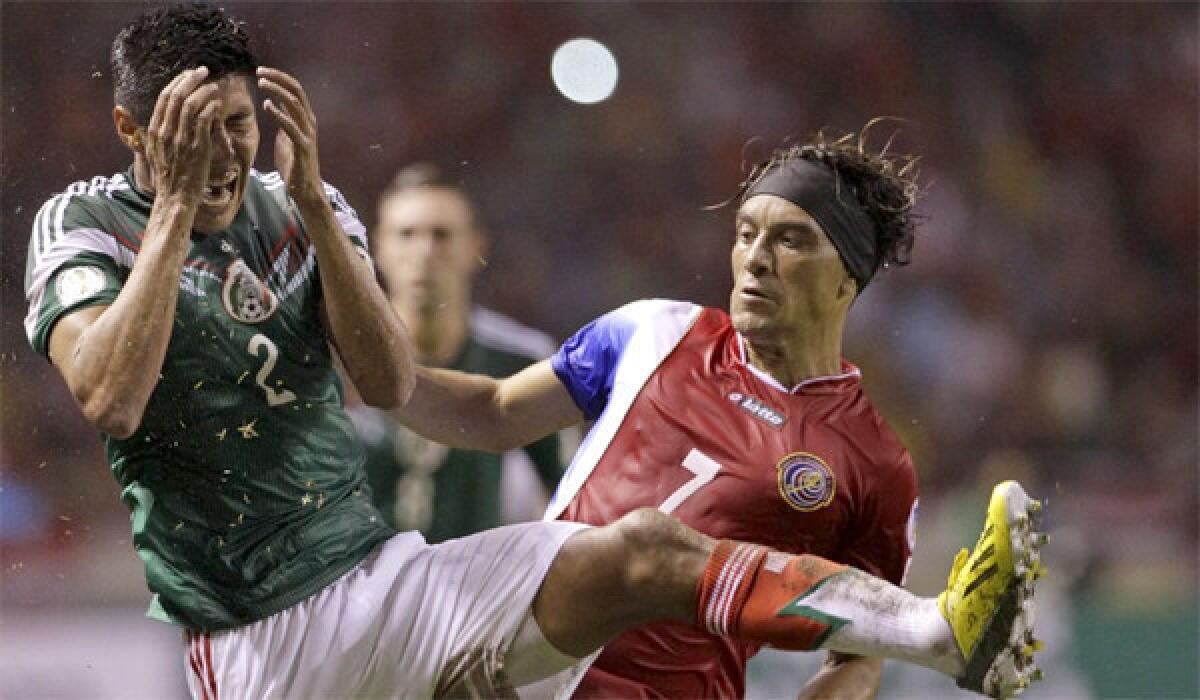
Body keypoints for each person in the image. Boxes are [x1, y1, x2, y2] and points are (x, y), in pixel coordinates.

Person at [25, 5, 1043, 698]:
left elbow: (386, 384)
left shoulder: (875, 462)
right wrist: (169, 210)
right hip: (261, 643)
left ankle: (943, 633)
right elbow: (112, 396)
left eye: (239, 127)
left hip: (395, 589)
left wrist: (316, 210)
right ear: (130, 128)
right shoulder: (86, 226)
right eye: (195, 136)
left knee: (648, 546)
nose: (225, 157)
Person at [389, 130, 1046, 699]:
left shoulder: (874, 464)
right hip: (534, 663)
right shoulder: (653, 332)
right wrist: (369, 373)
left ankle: (944, 632)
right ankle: (947, 631)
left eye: (790, 240)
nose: (755, 258)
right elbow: (494, 410)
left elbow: (856, 662)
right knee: (640, 545)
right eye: (745, 234)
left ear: (848, 278)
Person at [351, 164, 570, 541]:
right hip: (352, 590)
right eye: (407, 235)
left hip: (475, 594)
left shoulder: (522, 360)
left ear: (475, 248)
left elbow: (572, 494)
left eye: (442, 235)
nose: (424, 251)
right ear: (379, 248)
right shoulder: (335, 356)